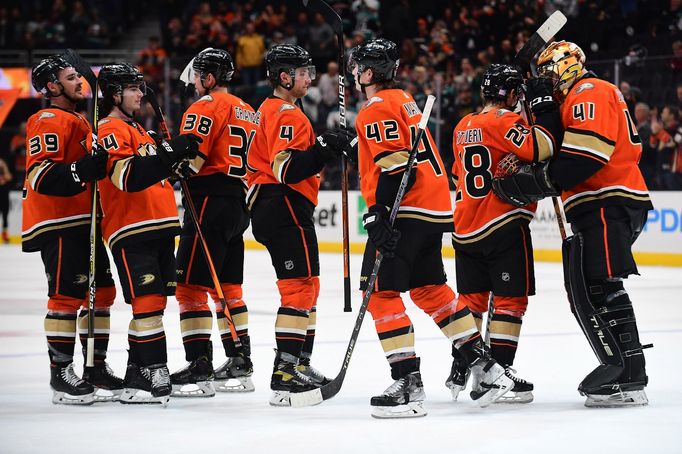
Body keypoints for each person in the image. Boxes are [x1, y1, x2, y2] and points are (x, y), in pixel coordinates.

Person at [349, 38, 513, 418]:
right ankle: (486, 367)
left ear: (370, 72)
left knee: (379, 293)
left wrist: (379, 213)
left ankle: (407, 382)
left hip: (407, 208)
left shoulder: (376, 107)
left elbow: (394, 165)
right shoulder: (403, 100)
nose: (355, 73)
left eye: (360, 67)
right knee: (430, 290)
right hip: (432, 206)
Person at [492, 41, 654, 407]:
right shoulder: (575, 98)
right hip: (599, 200)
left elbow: (585, 157)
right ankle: (627, 373)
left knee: (600, 287)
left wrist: (538, 181)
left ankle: (627, 376)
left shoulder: (588, 90)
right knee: (595, 287)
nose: (548, 81)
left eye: (550, 73)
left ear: (568, 66)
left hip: (607, 197)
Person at [451, 64, 564, 404]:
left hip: (464, 226)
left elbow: (460, 175)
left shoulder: (461, 126)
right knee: (510, 301)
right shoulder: (504, 121)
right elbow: (542, 147)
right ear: (513, 95)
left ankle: (462, 363)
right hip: (500, 222)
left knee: (471, 302)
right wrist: (543, 104)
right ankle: (497, 374)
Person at [247, 44, 352, 406]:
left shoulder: (275, 109)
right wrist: (325, 147)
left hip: (280, 206)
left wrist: (325, 147)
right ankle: (286, 370)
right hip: (281, 202)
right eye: (303, 71)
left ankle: (299, 363)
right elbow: (286, 169)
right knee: (299, 288)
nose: (309, 77)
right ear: (284, 77)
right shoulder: (285, 113)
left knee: (309, 286)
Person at [96, 62, 200, 404]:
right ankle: (155, 368)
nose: (141, 93)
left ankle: (136, 372)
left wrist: (176, 159)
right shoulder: (110, 128)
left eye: (141, 87)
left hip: (158, 224)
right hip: (130, 227)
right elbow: (126, 177)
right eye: (133, 88)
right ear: (114, 94)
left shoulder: (140, 131)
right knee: (147, 302)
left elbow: (156, 172)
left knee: (154, 304)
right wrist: (168, 153)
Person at [22, 55, 122, 404]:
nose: (80, 82)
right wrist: (82, 171)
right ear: (52, 86)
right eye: (70, 77)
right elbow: (40, 175)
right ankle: (61, 374)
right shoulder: (49, 118)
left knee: (103, 294)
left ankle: (95, 367)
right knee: (67, 297)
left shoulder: (78, 120)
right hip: (60, 221)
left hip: (85, 221)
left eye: (80, 76)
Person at [170, 48, 259, 397]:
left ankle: (199, 366)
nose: (194, 83)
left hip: (207, 200)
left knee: (189, 287)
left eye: (197, 77)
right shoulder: (248, 111)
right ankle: (240, 360)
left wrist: (165, 161)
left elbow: (192, 160)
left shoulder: (205, 106)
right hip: (238, 202)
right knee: (227, 287)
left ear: (208, 78)